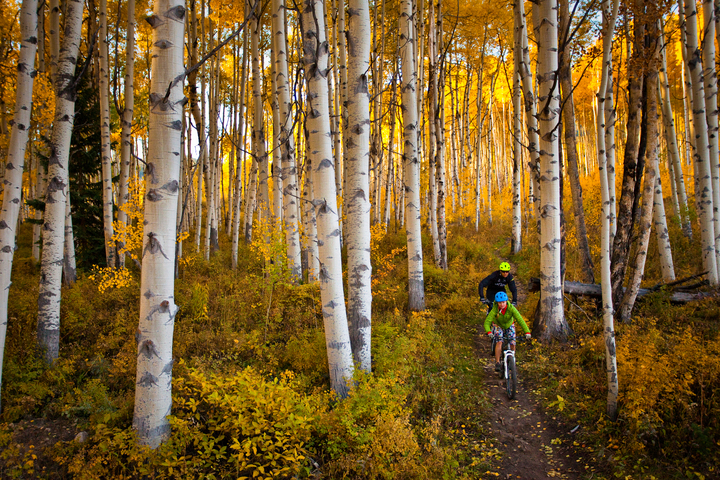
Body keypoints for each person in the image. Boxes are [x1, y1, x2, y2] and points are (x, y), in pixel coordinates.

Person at [484, 291, 531, 372]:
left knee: (513, 342)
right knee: (499, 341)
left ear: (506, 301)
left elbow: (520, 320)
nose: (502, 304)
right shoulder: (495, 309)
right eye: (500, 303)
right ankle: (498, 362)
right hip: (498, 325)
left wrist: (527, 332)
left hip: (509, 325)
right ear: (497, 303)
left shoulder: (511, 308)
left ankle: (512, 358)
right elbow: (487, 322)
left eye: (503, 302)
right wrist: (489, 332)